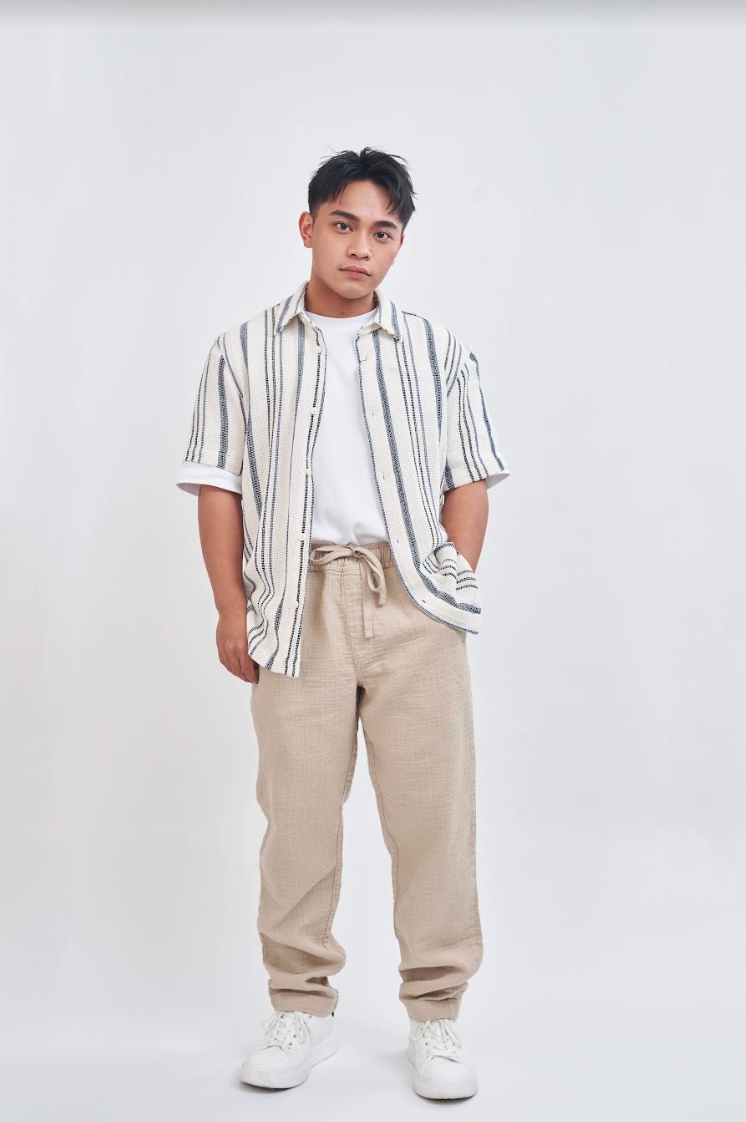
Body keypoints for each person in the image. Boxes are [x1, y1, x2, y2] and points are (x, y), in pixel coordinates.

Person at [176, 146, 510, 1100]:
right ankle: (301, 1007)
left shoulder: (438, 350)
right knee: (298, 820)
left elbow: (469, 478)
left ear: (400, 244)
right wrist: (232, 606)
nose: (361, 247)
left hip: (413, 602)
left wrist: (444, 584)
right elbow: (217, 483)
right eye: (344, 225)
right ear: (309, 226)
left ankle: (436, 1015)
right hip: (296, 602)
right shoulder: (242, 350)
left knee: (433, 818)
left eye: (383, 232)